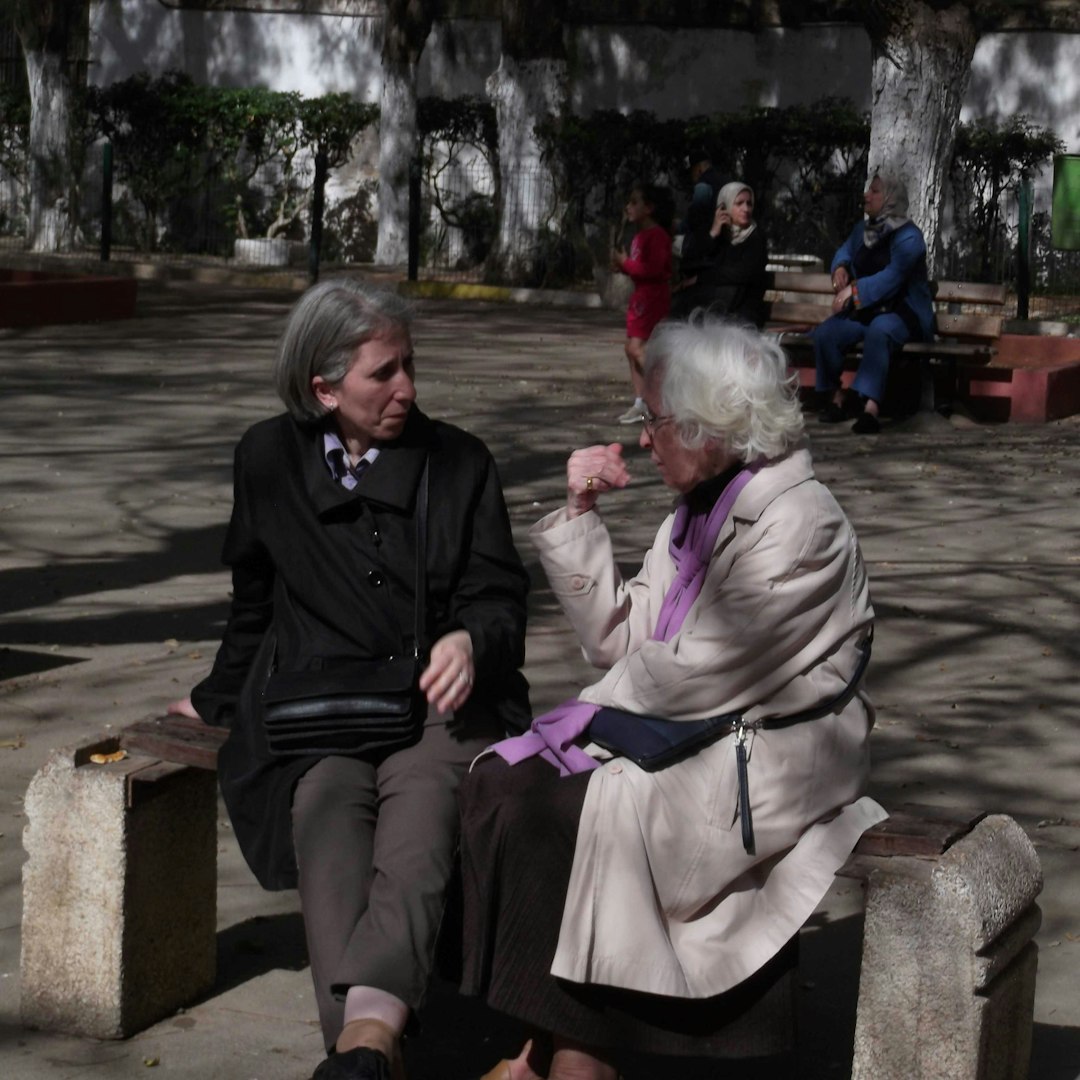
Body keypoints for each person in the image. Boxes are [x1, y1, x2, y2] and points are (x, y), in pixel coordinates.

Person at [458, 315, 887, 1080]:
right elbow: (623, 645)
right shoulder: (699, 509)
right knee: (503, 783)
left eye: (652, 420)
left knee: (572, 809)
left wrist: (588, 711)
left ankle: (570, 1059)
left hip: (776, 754)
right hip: (695, 727)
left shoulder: (801, 522)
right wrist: (581, 516)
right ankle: (548, 1044)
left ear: (709, 426)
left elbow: (692, 675)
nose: (642, 436)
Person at [168, 279, 531, 1080]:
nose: (407, 388)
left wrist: (470, 640)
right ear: (322, 387)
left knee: (420, 814)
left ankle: (362, 1046)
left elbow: (501, 597)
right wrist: (215, 694)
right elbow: (253, 601)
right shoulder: (266, 458)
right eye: (382, 373)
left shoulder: (459, 461)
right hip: (321, 704)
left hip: (444, 704)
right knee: (325, 808)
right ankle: (372, 1049)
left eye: (409, 365)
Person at [813, 171, 935, 434]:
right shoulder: (863, 230)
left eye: (875, 191)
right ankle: (836, 399)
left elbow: (893, 276)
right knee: (827, 333)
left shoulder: (909, 236)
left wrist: (853, 292)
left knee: (880, 331)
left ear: (891, 198)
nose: (867, 195)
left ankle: (871, 409)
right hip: (868, 312)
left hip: (903, 314)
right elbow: (844, 251)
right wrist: (840, 268)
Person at [610, 181, 673, 421]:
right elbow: (639, 269)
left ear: (649, 208)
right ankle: (641, 402)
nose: (629, 207)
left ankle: (668, 393)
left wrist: (625, 263)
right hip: (640, 298)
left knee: (638, 349)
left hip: (652, 298)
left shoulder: (657, 236)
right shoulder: (639, 236)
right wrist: (623, 266)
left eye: (634, 202)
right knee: (630, 349)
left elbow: (654, 270)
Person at [671, 180, 768, 326]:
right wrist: (713, 233)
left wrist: (700, 278)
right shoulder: (721, 234)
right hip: (717, 304)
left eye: (749, 203)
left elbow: (741, 273)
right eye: (739, 203)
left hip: (743, 309)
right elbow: (692, 259)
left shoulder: (756, 238)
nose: (746, 209)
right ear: (724, 206)